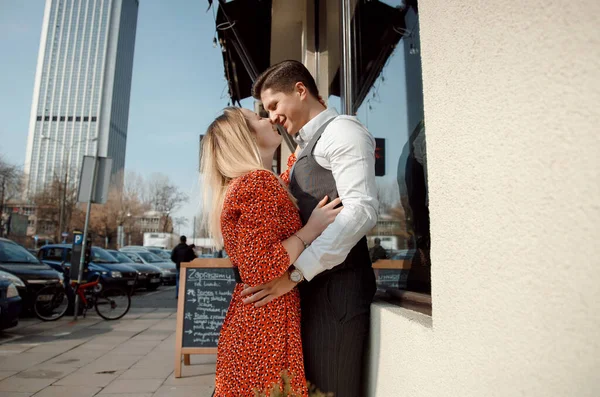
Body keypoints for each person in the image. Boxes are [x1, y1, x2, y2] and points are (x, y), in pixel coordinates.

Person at [242, 60, 378, 397]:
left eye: (274, 105)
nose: (272, 116)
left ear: (301, 90)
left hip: (337, 295)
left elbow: (361, 211)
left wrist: (295, 274)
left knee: (332, 388)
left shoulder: (342, 131)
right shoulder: (304, 146)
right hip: (311, 293)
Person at [200, 107, 342, 396]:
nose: (269, 119)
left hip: (258, 319)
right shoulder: (257, 183)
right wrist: (310, 230)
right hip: (265, 326)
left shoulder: (259, 182)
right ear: (246, 136)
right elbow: (259, 267)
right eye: (259, 118)